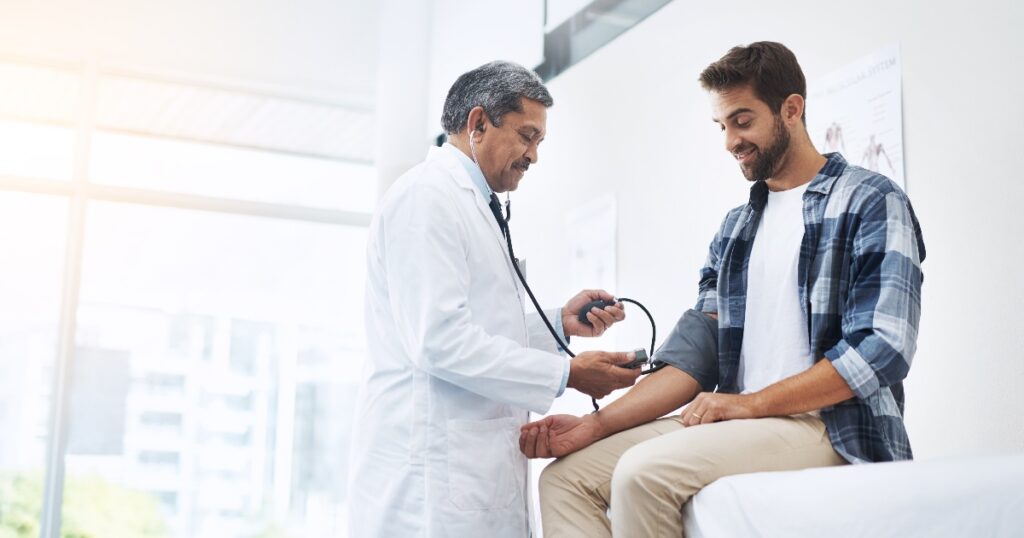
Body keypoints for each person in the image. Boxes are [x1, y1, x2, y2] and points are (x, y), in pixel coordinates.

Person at [520, 41, 926, 537]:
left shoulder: (870, 200)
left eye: (742, 120)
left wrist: (751, 403)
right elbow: (696, 358)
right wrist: (593, 426)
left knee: (641, 475)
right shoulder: (736, 229)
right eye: (722, 126)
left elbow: (882, 348)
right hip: (740, 418)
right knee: (565, 480)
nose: (731, 140)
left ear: (791, 110)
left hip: (829, 425)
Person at [348, 60, 642, 537]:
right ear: (478, 123)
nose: (533, 156)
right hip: (428, 483)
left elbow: (478, 329)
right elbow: (439, 340)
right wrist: (568, 373)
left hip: (469, 470)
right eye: (527, 136)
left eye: (539, 142)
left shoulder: (470, 202)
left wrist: (559, 323)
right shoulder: (427, 199)